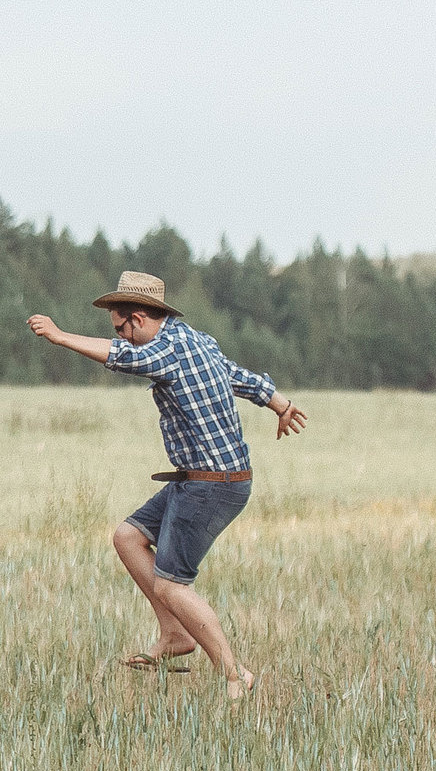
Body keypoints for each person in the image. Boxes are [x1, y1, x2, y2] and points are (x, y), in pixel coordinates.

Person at [28, 271, 307, 699]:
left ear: (138, 319)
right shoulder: (198, 341)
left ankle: (235, 676)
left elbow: (122, 358)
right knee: (128, 537)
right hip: (200, 480)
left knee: (172, 584)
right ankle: (175, 634)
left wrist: (61, 337)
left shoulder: (164, 351)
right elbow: (242, 378)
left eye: (121, 327)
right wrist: (281, 404)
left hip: (212, 484)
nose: (121, 335)